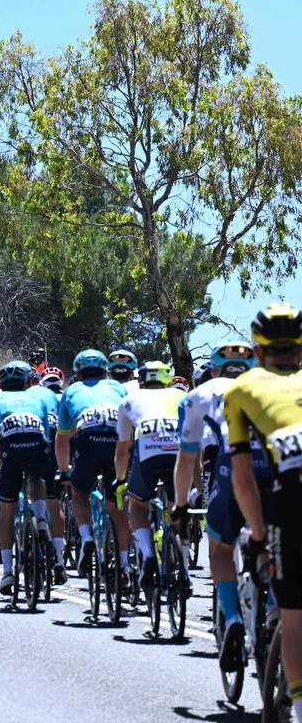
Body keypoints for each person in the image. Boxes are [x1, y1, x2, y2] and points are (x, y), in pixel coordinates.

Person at [225, 303, 302, 721]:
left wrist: (257, 536)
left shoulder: (241, 390)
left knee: (293, 619)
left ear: (257, 352)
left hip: (292, 502)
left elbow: (242, 482)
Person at [173, 341, 258, 672]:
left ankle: (233, 617)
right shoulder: (269, 385)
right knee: (269, 543)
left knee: (220, 550)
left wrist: (181, 505)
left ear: (214, 369)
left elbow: (186, 460)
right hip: (276, 471)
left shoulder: (196, 395)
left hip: (226, 469)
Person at [0, 361, 56, 595]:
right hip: (37, 445)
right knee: (36, 478)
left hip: (11, 451)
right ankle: (42, 517)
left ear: (0, 384)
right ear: (27, 382)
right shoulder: (40, 400)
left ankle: (7, 572)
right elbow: (46, 436)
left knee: (7, 512)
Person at [57, 349, 129, 577]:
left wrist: (63, 471)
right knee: (116, 501)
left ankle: (87, 536)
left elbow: (62, 438)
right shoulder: (117, 387)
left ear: (77, 373)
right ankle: (125, 564)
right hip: (117, 440)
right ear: (106, 371)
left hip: (88, 440)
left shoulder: (70, 392)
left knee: (79, 493)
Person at [115, 361, 185, 590]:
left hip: (147, 453)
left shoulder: (128, 400)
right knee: (179, 509)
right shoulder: (180, 397)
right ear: (168, 380)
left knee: (136, 506)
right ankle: (183, 568)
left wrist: (121, 479)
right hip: (178, 454)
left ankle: (147, 554)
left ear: (141, 381)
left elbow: (123, 449)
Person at [31, 366, 68, 582]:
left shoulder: (34, 394)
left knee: (33, 480)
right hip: (56, 442)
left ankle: (39, 518)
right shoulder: (63, 398)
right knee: (55, 502)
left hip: (33, 437)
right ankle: (60, 560)